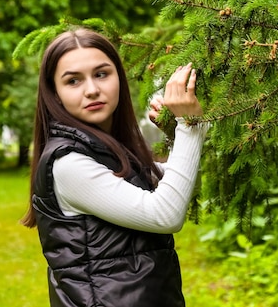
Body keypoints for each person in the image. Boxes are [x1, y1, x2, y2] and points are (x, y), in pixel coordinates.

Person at [21, 28, 209, 307]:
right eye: (73, 81)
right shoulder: (68, 164)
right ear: (55, 94)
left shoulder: (107, 149)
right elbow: (165, 213)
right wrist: (189, 126)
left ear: (118, 79)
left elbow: (171, 186)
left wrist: (179, 134)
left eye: (101, 74)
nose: (92, 89)